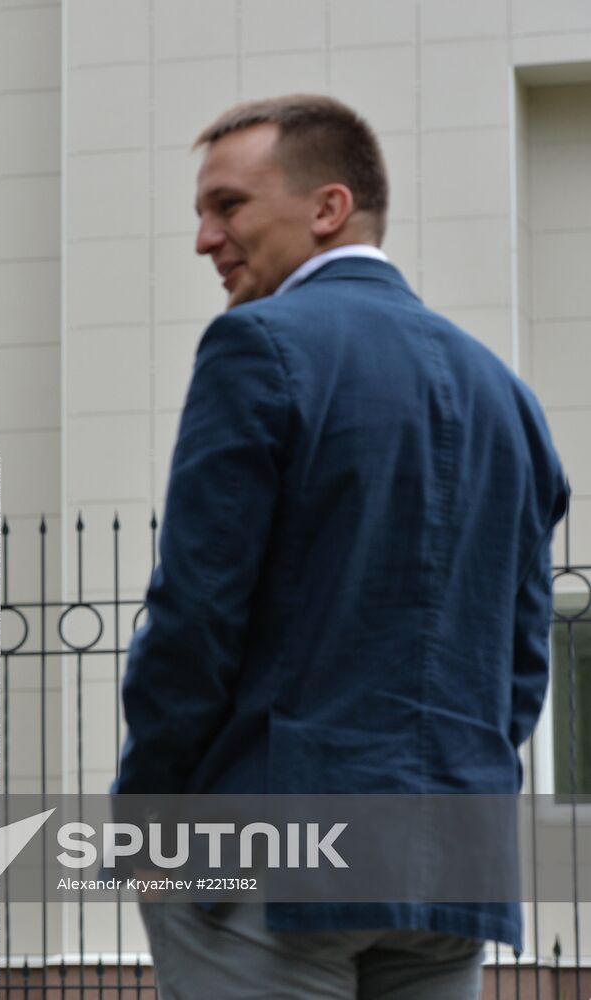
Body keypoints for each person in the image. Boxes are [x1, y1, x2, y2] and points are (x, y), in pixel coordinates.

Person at [114, 96, 568, 999]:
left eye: (229, 205)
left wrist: (148, 816)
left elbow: (199, 614)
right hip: (452, 863)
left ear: (327, 208)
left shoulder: (258, 347)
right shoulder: (506, 396)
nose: (206, 238)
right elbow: (521, 662)